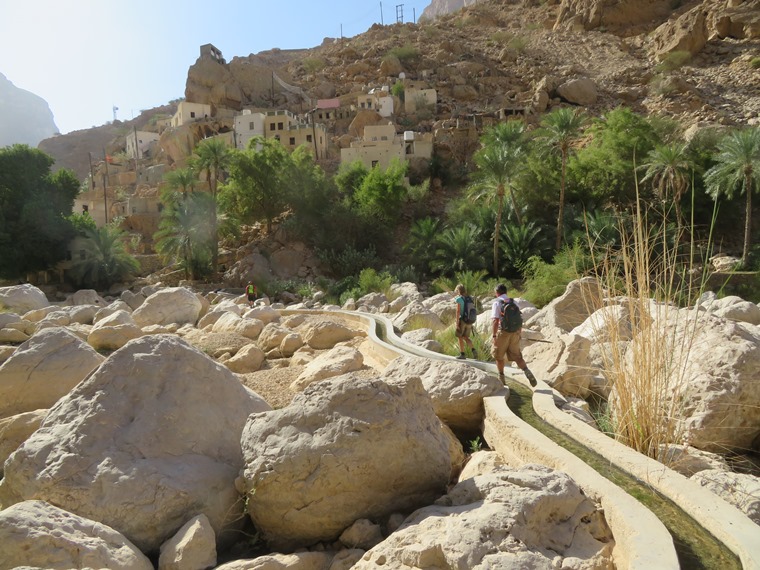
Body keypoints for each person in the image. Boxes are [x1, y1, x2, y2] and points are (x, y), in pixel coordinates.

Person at [491, 283, 537, 387]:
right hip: (515, 332)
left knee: (499, 356)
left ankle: (501, 379)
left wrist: (494, 336)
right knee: (517, 357)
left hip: (503, 333)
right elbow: (519, 318)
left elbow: (495, 321)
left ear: (497, 293)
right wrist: (518, 332)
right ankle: (527, 371)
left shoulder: (497, 303)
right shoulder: (514, 302)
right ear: (506, 292)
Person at [454, 283, 477, 360]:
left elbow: (458, 311)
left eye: (457, 290)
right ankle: (473, 350)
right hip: (470, 321)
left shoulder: (459, 299)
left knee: (460, 337)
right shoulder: (469, 298)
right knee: (466, 337)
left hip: (463, 320)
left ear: (458, 290)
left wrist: (457, 323)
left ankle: (462, 354)